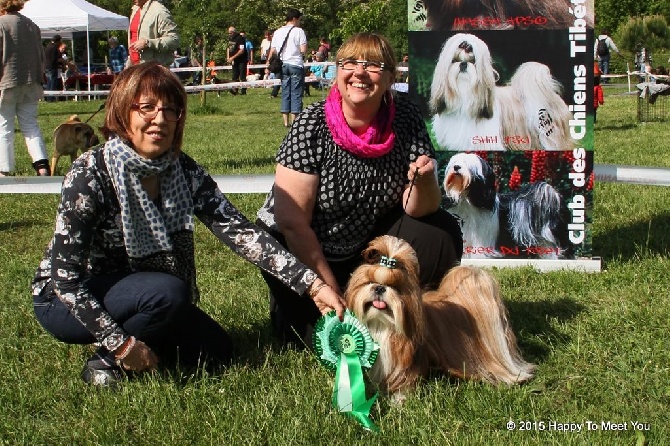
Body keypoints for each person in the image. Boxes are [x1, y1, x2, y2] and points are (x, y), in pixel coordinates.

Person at [31, 62, 345, 387]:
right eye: (147, 108)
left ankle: (143, 340)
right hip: (63, 298)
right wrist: (120, 343)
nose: (160, 119)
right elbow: (66, 280)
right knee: (168, 293)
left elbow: (239, 232)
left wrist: (311, 284)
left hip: (139, 289)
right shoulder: (90, 174)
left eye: (171, 110)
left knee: (215, 350)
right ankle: (108, 360)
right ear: (123, 112)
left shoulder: (182, 169)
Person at [256, 33, 463, 346]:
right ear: (337, 71)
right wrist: (330, 290)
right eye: (349, 63)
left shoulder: (405, 117)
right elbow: (291, 222)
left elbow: (419, 209)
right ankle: (291, 308)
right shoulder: (311, 124)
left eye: (373, 65)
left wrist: (424, 177)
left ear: (392, 77)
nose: (359, 72)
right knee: (310, 337)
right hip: (299, 247)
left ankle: (415, 315)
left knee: (440, 231)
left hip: (362, 243)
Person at [0, 0, 50, 176]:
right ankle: (42, 165)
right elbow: (41, 56)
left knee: (4, 125)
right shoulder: (31, 25)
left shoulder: (1, 24)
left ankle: (4, 169)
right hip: (31, 82)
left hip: (6, 82)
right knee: (30, 125)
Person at [266, 8, 307, 127]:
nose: (299, 21)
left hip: (282, 65)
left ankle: (285, 121)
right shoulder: (299, 31)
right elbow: (303, 50)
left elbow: (273, 50)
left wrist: (268, 65)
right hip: (295, 64)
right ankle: (295, 121)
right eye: (299, 19)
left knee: (285, 92)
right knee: (296, 92)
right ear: (294, 19)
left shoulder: (278, 32)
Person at [128, 0, 180, 67]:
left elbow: (174, 40)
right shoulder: (135, 10)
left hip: (155, 71)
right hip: (135, 68)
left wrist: (148, 43)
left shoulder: (160, 11)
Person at [227, 26, 248, 95]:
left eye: (230, 33)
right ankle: (235, 90)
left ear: (234, 32)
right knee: (234, 76)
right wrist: (228, 58)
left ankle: (243, 91)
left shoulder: (240, 38)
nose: (229, 34)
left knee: (242, 76)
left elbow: (241, 50)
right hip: (234, 60)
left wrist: (232, 57)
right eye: (228, 33)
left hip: (242, 60)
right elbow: (229, 48)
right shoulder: (230, 38)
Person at [43, 34, 64, 102]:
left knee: (48, 82)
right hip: (52, 67)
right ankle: (51, 98)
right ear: (57, 41)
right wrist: (59, 64)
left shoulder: (48, 46)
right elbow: (55, 59)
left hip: (46, 67)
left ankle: (47, 97)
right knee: (52, 83)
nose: (61, 43)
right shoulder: (55, 48)